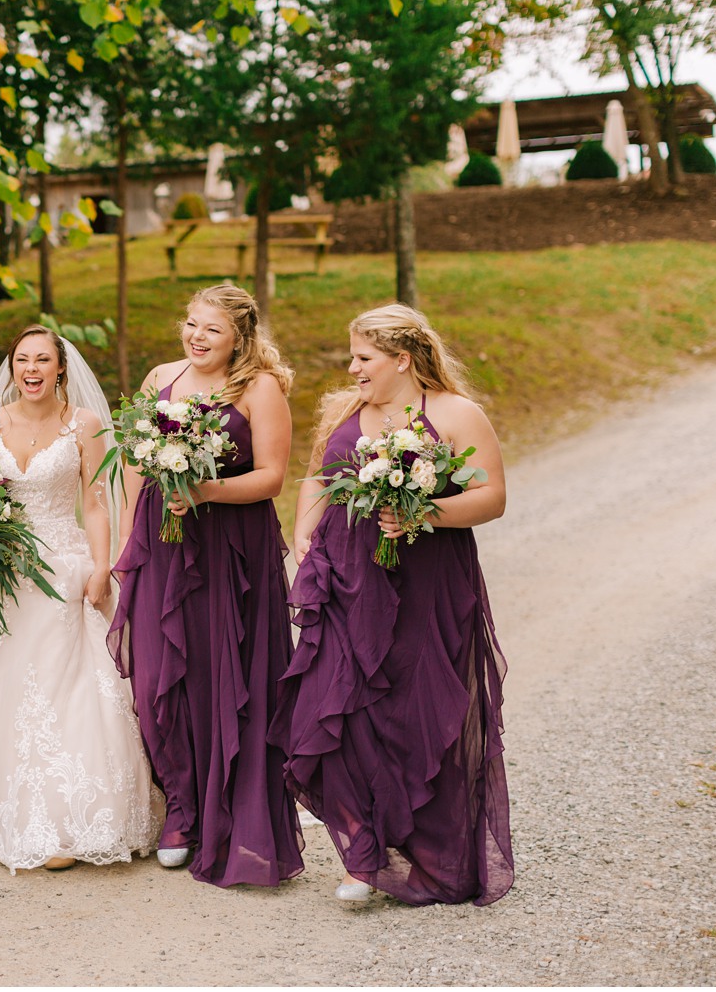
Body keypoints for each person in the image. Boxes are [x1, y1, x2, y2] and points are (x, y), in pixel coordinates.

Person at [288, 304, 513, 906]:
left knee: (416, 710)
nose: (353, 368)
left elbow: (491, 495)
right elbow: (317, 475)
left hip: (426, 582)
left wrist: (424, 511)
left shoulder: (456, 414)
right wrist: (303, 531)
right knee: (334, 703)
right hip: (345, 578)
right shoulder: (345, 412)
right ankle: (361, 855)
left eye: (363, 358)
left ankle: (429, 852)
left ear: (401, 360)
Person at [109, 284, 302, 887]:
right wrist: (124, 545)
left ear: (239, 337)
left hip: (231, 550)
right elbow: (137, 468)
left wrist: (205, 490)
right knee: (163, 672)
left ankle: (233, 817)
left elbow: (271, 477)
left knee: (227, 674)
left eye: (211, 330)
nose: (195, 336)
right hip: (162, 544)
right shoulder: (158, 378)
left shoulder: (259, 387)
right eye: (190, 323)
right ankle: (182, 811)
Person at [0, 324, 159, 872]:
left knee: (69, 688)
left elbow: (95, 503)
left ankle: (80, 816)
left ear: (60, 368)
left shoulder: (84, 424)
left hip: (63, 566)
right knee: (5, 691)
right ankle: (22, 811)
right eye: (22, 359)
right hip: (1, 574)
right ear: (12, 366)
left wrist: (102, 566)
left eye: (43, 359)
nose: (31, 369)